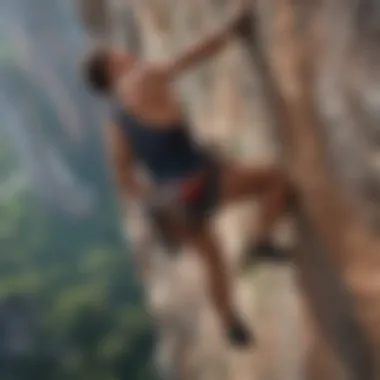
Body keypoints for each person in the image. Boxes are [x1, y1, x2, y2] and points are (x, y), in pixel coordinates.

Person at [81, 5, 290, 347]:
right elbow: (192, 56)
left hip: (171, 204)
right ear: (111, 66)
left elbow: (125, 180)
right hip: (197, 182)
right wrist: (234, 28)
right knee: (274, 179)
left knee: (213, 260)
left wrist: (158, 200)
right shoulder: (143, 77)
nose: (123, 51)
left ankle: (229, 323)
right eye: (114, 53)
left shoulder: (115, 122)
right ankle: (260, 240)